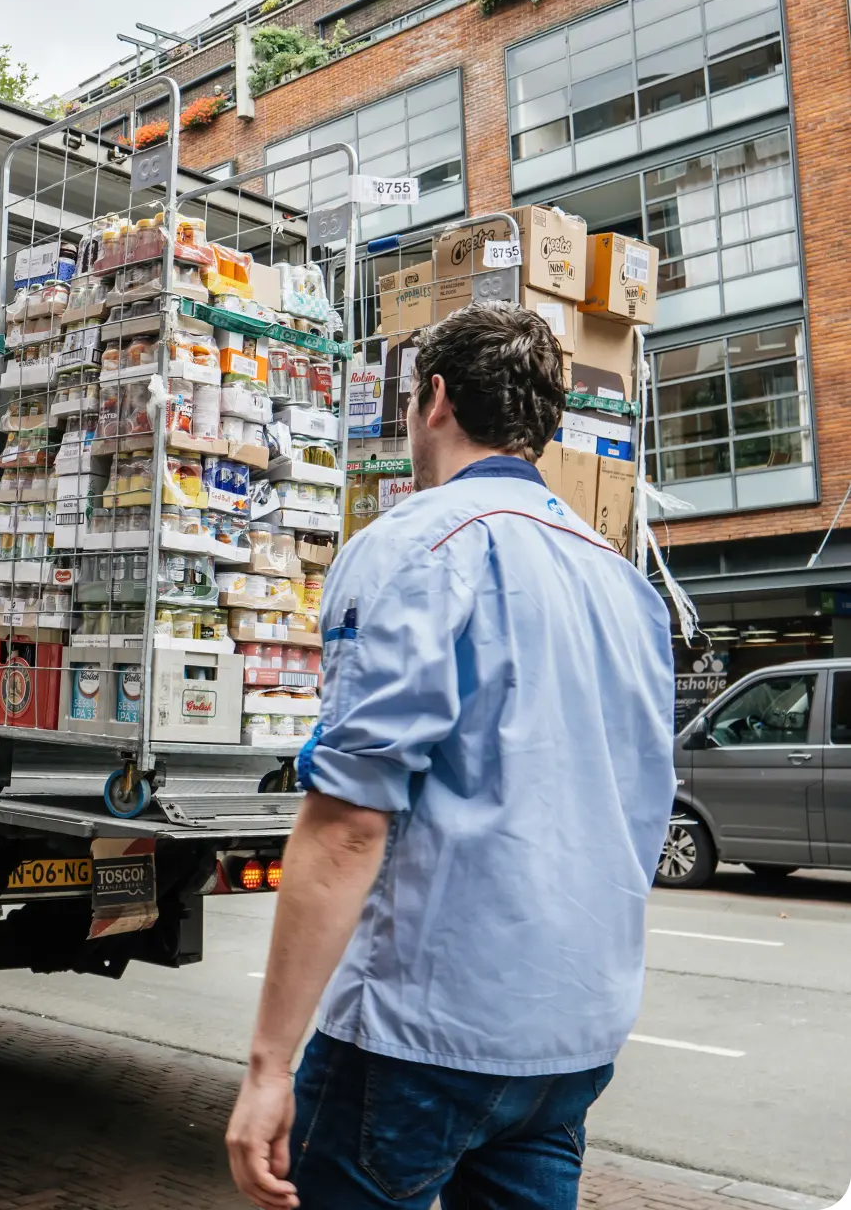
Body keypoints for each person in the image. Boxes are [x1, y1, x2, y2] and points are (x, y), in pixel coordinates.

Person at [226, 302, 675, 1210]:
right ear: (540, 427)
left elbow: (351, 821)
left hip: (421, 1033)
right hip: (570, 1041)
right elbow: (639, 808)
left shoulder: (410, 547)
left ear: (433, 400)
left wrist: (270, 1064)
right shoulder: (627, 589)